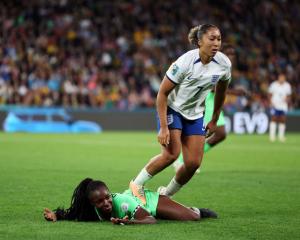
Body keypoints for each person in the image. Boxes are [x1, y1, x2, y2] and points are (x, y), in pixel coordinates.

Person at [129, 24, 231, 202]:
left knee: (193, 163)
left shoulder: (223, 64)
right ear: (199, 42)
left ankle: (166, 194)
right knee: (171, 154)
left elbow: (221, 94)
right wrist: (163, 127)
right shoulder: (184, 63)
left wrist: (214, 120)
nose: (216, 43)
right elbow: (162, 94)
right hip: (172, 109)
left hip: (196, 114)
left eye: (219, 39)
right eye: (211, 39)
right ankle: (136, 186)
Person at [173, 44, 243, 173]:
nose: (232, 56)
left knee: (220, 135)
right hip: (209, 100)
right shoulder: (215, 63)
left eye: (233, 54)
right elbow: (212, 87)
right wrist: (234, 92)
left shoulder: (226, 66)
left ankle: (188, 160)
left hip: (215, 102)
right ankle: (183, 160)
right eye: (229, 53)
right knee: (215, 133)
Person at [43, 178, 217, 224]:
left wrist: (127, 222)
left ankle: (198, 209)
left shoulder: (122, 201)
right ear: (92, 203)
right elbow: (73, 213)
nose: (106, 203)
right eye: (100, 201)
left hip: (148, 202)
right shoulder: (91, 210)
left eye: (107, 197)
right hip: (138, 208)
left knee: (193, 217)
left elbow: (150, 220)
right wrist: (56, 215)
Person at [268, 73, 292, 142]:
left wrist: (287, 99)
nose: (282, 79)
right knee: (274, 118)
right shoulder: (273, 85)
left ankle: (281, 136)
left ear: (285, 78)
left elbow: (289, 95)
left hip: (283, 105)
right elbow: (269, 94)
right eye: (281, 78)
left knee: (283, 119)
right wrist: (271, 102)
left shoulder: (287, 85)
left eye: (283, 78)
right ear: (278, 78)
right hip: (275, 104)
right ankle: (272, 136)